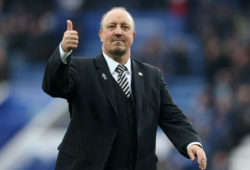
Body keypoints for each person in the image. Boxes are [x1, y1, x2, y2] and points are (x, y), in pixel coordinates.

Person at [42, 7, 207, 170]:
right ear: (101, 35)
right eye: (111, 26)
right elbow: (52, 86)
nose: (118, 32)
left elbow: (172, 117)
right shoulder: (80, 69)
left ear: (133, 36)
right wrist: (63, 51)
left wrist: (191, 142)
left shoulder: (152, 76)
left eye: (125, 27)